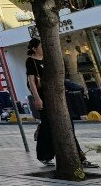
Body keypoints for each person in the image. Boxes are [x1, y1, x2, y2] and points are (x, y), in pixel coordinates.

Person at [27, 37, 97, 168]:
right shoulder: (31, 61)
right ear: (34, 49)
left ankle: (80, 157)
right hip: (44, 97)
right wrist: (37, 98)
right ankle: (44, 154)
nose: (43, 48)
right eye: (41, 46)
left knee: (68, 124)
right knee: (47, 126)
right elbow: (31, 82)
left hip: (59, 95)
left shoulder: (49, 59)